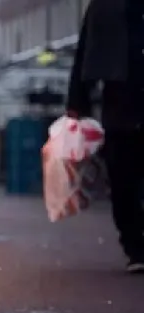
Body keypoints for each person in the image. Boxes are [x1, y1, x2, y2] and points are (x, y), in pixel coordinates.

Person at [67, 0, 144, 273]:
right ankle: (135, 247)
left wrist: (78, 99)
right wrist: (77, 101)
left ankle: (136, 247)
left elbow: (86, 50)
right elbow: (87, 48)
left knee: (123, 181)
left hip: (119, 105)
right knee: (123, 181)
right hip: (120, 106)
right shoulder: (104, 5)